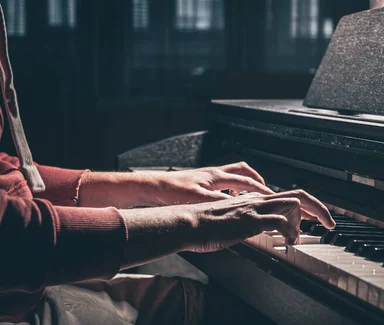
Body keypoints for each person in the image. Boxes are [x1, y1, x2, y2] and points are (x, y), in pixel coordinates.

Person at [0, 5, 335, 325]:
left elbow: (9, 174)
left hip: (22, 294)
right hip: (17, 308)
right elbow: (16, 241)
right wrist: (196, 222)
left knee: (222, 302)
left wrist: (156, 185)